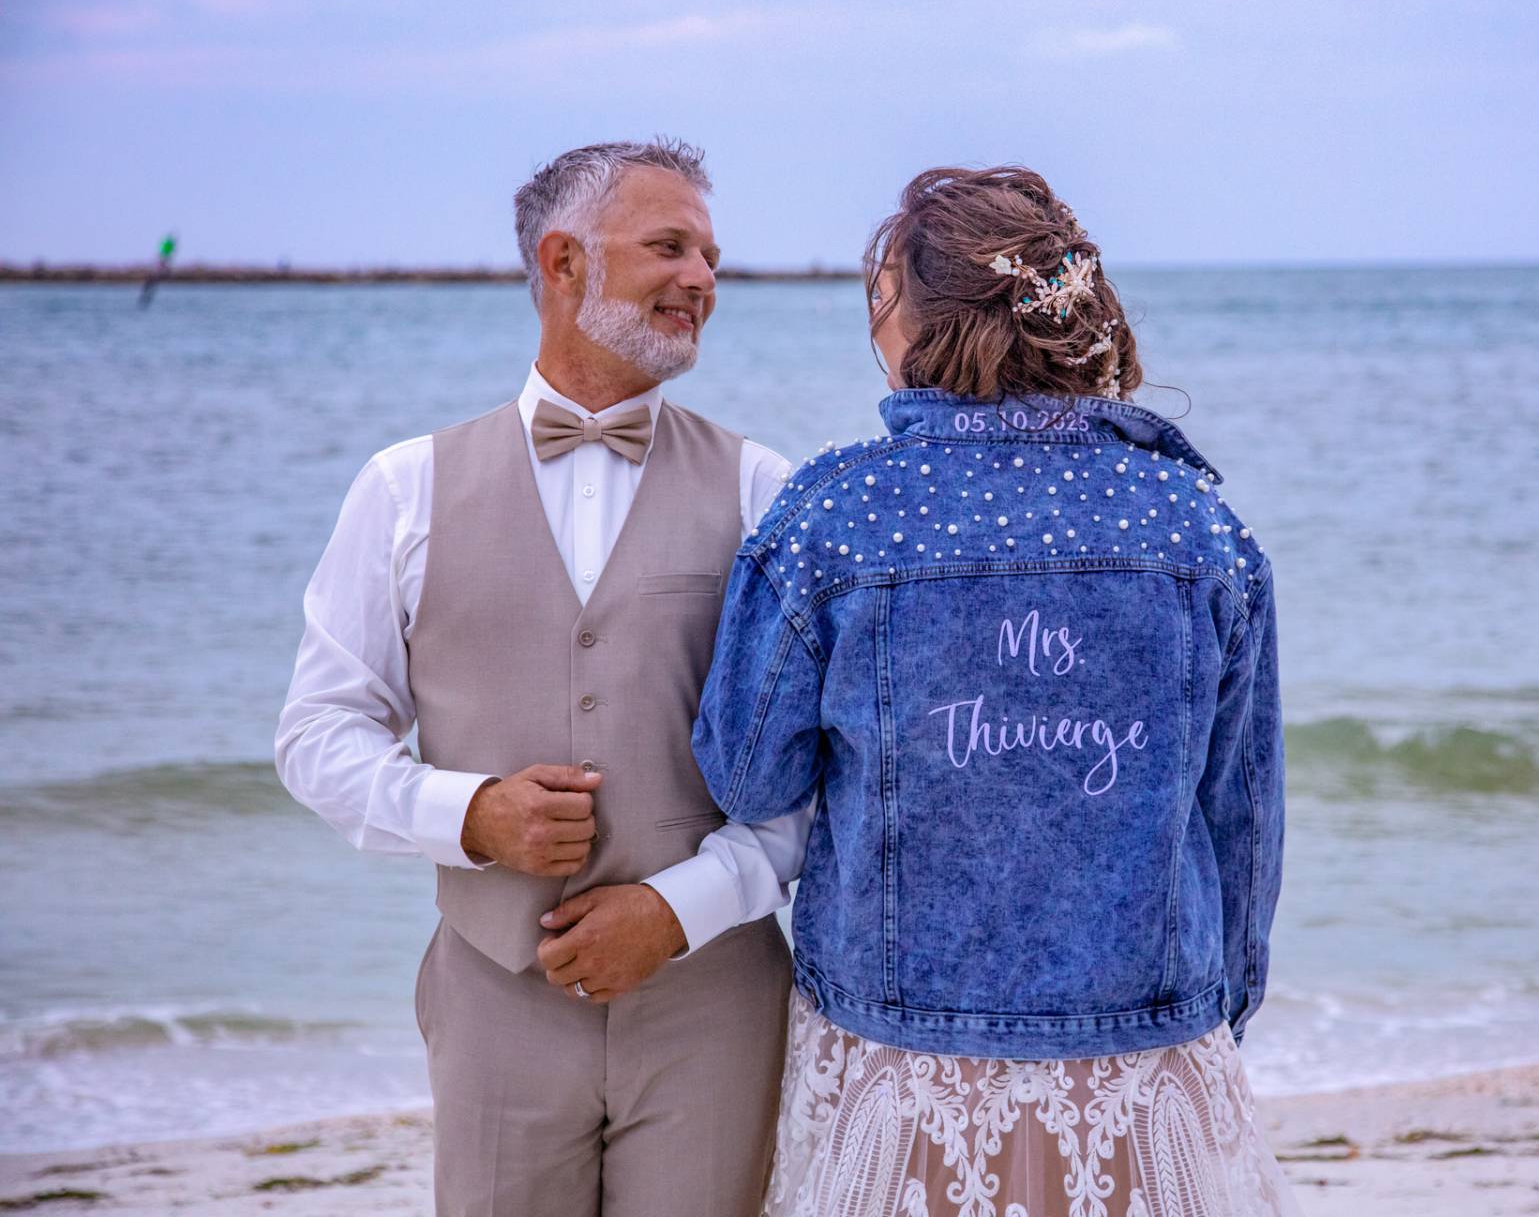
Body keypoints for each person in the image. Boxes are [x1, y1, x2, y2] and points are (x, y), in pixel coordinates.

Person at [694, 167, 1301, 1215]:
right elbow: (1240, 815)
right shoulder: (1194, 520)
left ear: (921, 320)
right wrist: (1219, 1005)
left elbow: (750, 776)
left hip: (899, 1047)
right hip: (1146, 1047)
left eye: (878, 298)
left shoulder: (837, 511)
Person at [275, 140, 811, 1215]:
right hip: (492, 1000)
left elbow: (810, 775)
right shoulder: (403, 490)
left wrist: (675, 907)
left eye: (711, 254)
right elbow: (318, 734)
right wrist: (469, 812)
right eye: (670, 246)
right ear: (564, 264)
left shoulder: (767, 490)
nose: (704, 277)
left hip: (711, 997)